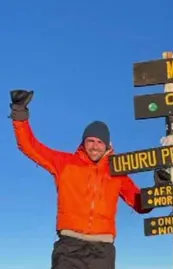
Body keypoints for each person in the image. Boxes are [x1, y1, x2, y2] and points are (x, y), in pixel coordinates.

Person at [9, 90, 154, 269]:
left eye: (100, 142)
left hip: (102, 250)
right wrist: (19, 112)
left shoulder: (117, 172)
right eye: (90, 141)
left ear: (108, 145)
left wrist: (159, 189)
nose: (94, 146)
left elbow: (141, 204)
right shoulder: (64, 163)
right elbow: (30, 146)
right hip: (69, 246)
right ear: (83, 142)